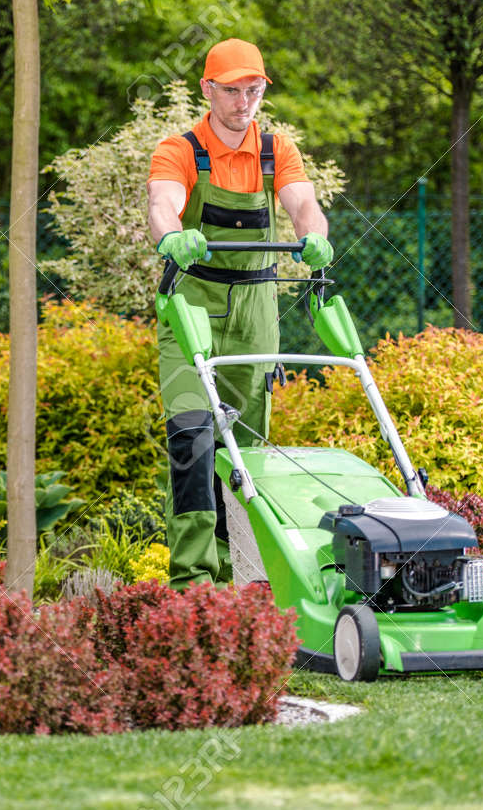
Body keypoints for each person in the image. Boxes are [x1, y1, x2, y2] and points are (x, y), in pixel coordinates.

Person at [146, 38, 332, 590]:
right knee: (192, 436)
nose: (244, 102)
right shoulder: (178, 149)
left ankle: (247, 574)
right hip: (191, 307)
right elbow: (162, 203)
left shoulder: (277, 151)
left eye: (254, 90)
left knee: (247, 447)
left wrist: (315, 237)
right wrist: (173, 236)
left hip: (256, 308)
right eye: (232, 91)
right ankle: (193, 579)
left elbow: (303, 204)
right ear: (208, 90)